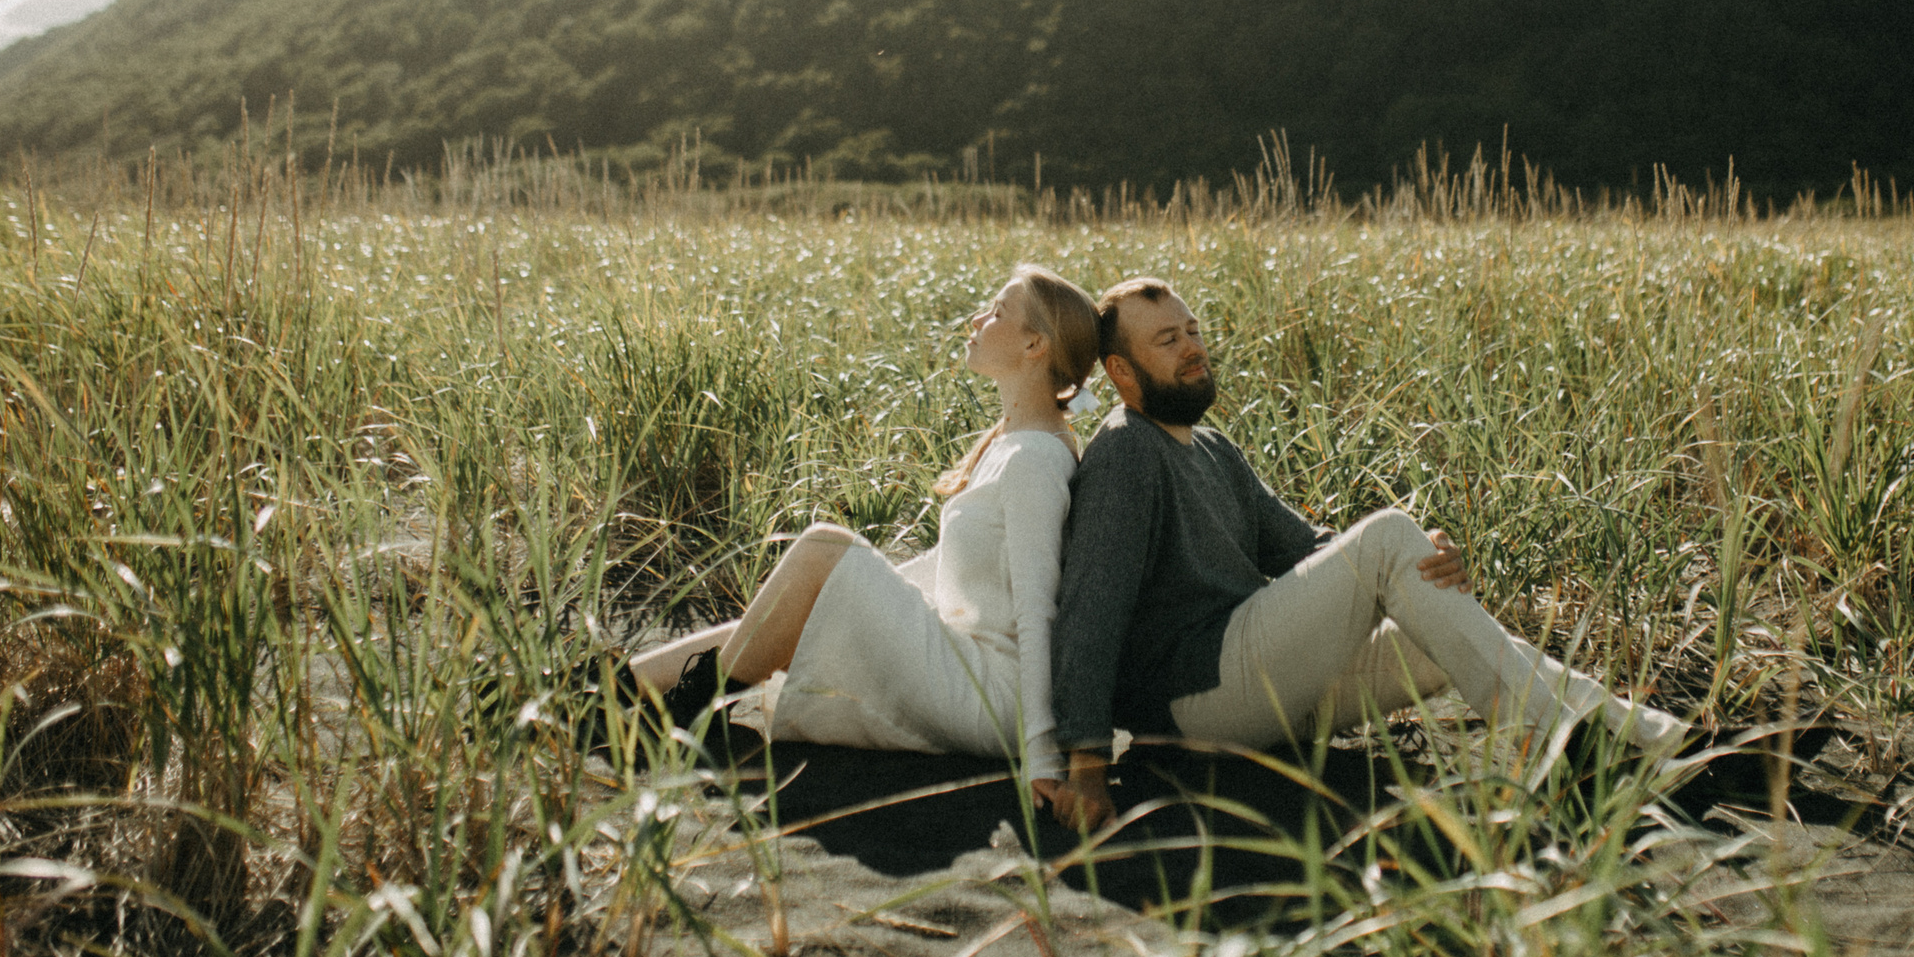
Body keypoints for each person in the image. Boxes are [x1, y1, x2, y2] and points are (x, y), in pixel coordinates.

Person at [1045, 277, 1688, 832]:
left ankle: (1666, 745)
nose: (1192, 348)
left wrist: (1419, 561)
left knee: (1427, 613)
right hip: (1192, 697)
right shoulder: (1126, 451)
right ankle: (1565, 749)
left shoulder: (1214, 450)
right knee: (1385, 537)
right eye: (1167, 340)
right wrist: (1089, 767)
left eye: (1191, 330)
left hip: (1264, 693)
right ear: (1121, 372)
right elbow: (1089, 611)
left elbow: (1311, 551)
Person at [628, 264, 1096, 787]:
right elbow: (950, 567)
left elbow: (1039, 611)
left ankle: (684, 705)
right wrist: (863, 595)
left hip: (992, 696)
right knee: (801, 602)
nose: (977, 319)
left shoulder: (1034, 459)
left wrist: (1042, 757)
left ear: (1034, 345)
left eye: (997, 313)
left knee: (822, 548)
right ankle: (615, 686)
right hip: (965, 661)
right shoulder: (1016, 442)